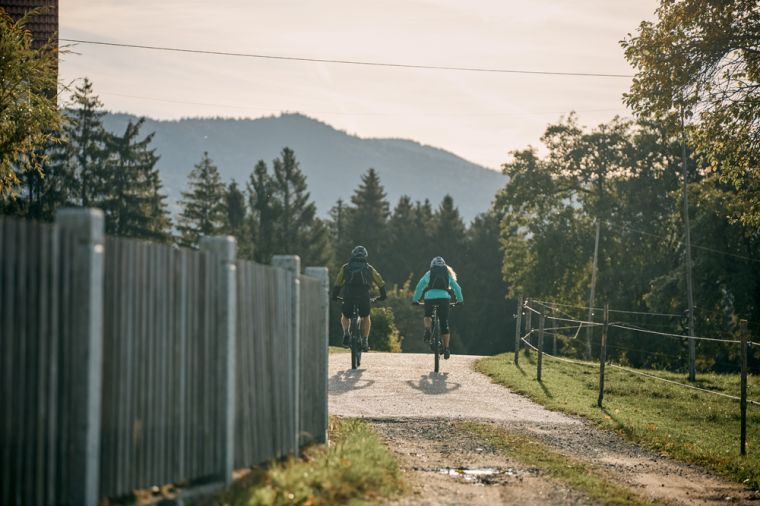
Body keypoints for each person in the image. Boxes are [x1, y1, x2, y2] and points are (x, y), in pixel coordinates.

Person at [331, 245, 387, 351]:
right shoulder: (369, 268)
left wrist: (334, 296)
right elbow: (380, 281)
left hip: (348, 296)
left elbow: (338, 282)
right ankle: (365, 340)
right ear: (365, 256)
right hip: (363, 297)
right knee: (366, 317)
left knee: (345, 315)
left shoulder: (346, 267)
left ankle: (346, 332)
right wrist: (383, 295)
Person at [411, 256, 463, 360]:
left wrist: (415, 299)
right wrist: (459, 300)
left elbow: (419, 286)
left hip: (429, 298)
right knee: (444, 323)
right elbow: (457, 287)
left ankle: (427, 330)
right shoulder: (447, 274)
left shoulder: (429, 273)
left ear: (432, 265)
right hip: (444, 299)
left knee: (427, 315)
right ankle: (447, 348)